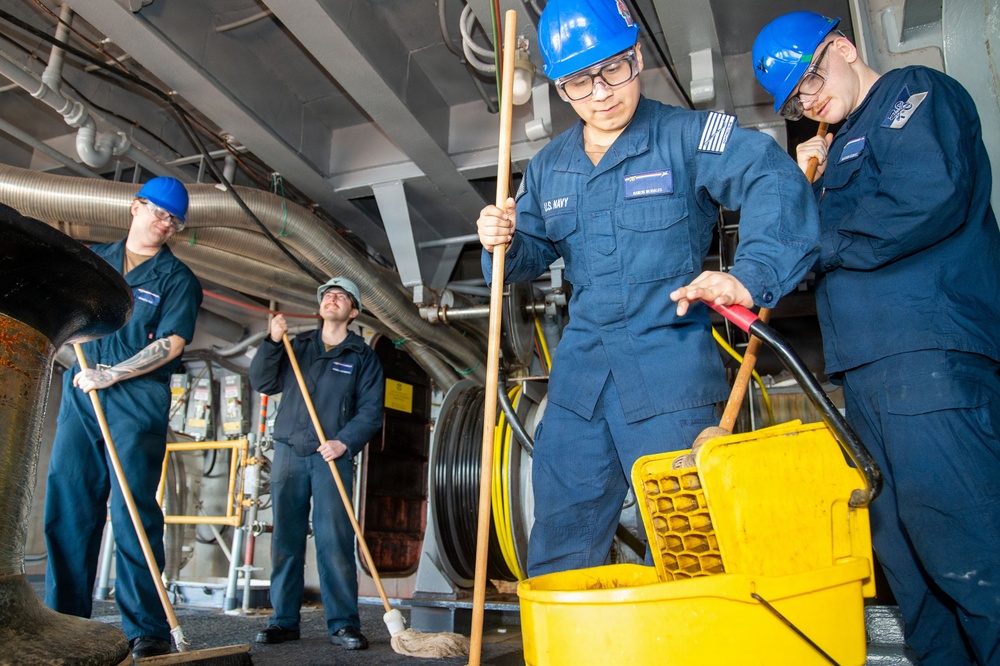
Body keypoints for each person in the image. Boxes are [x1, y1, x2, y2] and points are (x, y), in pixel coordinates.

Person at [476, 0, 820, 578]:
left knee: (691, 552)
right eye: (579, 82)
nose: (601, 93)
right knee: (559, 550)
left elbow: (772, 177)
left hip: (669, 377)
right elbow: (526, 252)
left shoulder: (689, 136)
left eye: (613, 68)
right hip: (580, 384)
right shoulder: (548, 166)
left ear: (636, 55)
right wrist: (499, 242)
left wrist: (749, 275)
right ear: (560, 89)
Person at [753, 11, 1000, 665]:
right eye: (795, 100)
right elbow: (806, 259)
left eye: (810, 81)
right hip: (866, 378)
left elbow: (926, 197)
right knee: (910, 574)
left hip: (927, 360)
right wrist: (802, 190)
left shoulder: (912, 94)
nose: (809, 103)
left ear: (842, 47)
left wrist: (817, 237)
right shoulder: (834, 150)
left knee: (971, 557)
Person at [44, 176, 202, 660]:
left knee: (133, 512)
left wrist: (114, 373)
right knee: (69, 503)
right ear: (136, 207)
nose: (165, 224)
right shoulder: (93, 261)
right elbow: (61, 316)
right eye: (159, 212)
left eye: (174, 220)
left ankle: (147, 629)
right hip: (83, 392)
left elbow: (171, 342)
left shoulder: (177, 279)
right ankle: (65, 622)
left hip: (137, 399)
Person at [249, 276, 384, 651]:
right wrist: (272, 342)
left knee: (334, 541)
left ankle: (343, 624)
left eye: (342, 296)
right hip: (289, 452)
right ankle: (283, 621)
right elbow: (263, 381)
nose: (332, 298)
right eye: (328, 294)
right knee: (285, 540)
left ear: (353, 312)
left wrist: (344, 442)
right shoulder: (298, 346)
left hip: (331, 457)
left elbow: (371, 412)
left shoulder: (362, 357)